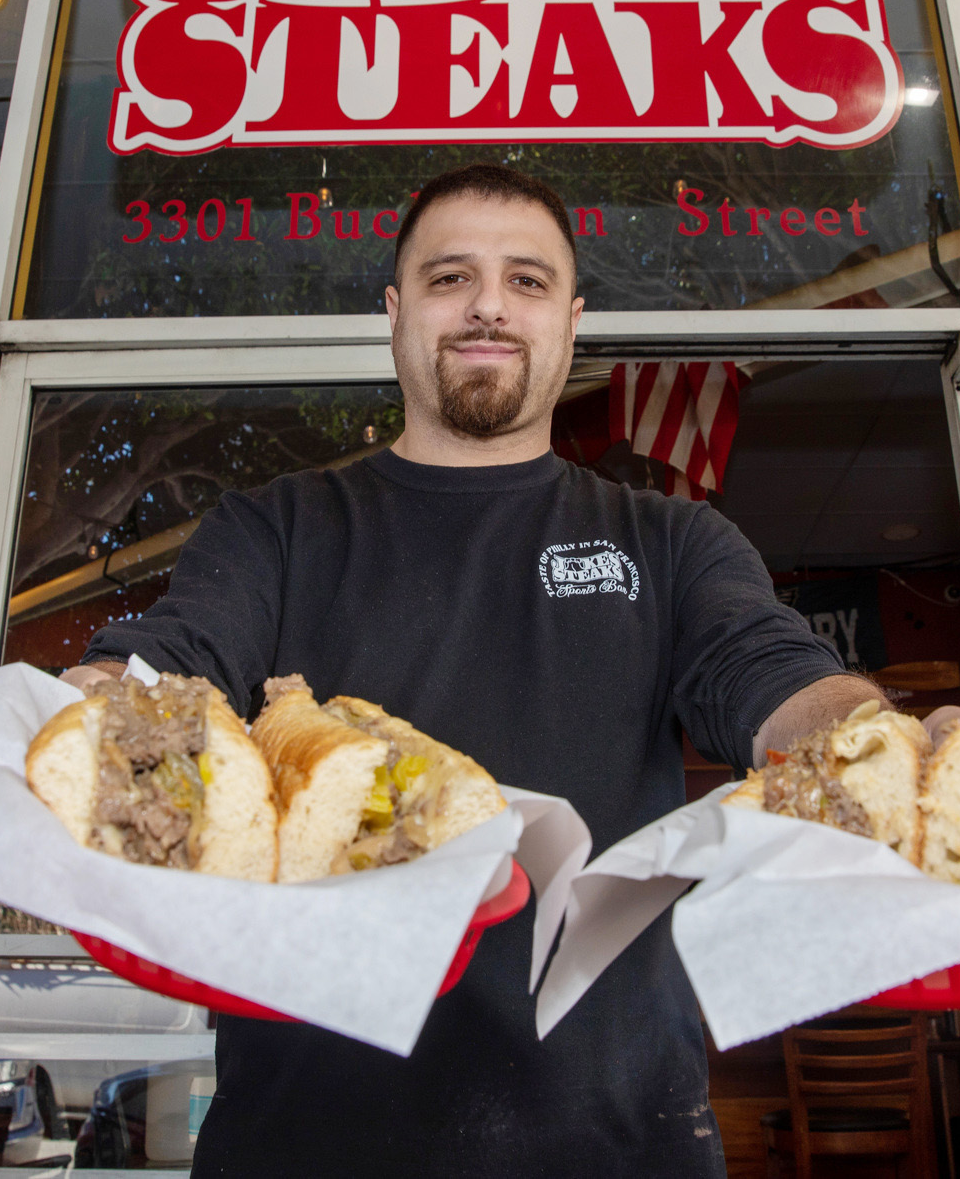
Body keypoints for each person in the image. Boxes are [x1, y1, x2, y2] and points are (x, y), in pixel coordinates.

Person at [61, 164, 887, 1177]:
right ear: (395, 312)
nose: (489, 304)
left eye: (527, 281)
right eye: (450, 277)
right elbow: (172, 659)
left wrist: (879, 748)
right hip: (304, 1140)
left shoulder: (670, 541)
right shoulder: (274, 528)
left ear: (571, 322)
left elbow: (770, 674)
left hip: (616, 1143)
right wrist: (87, 705)